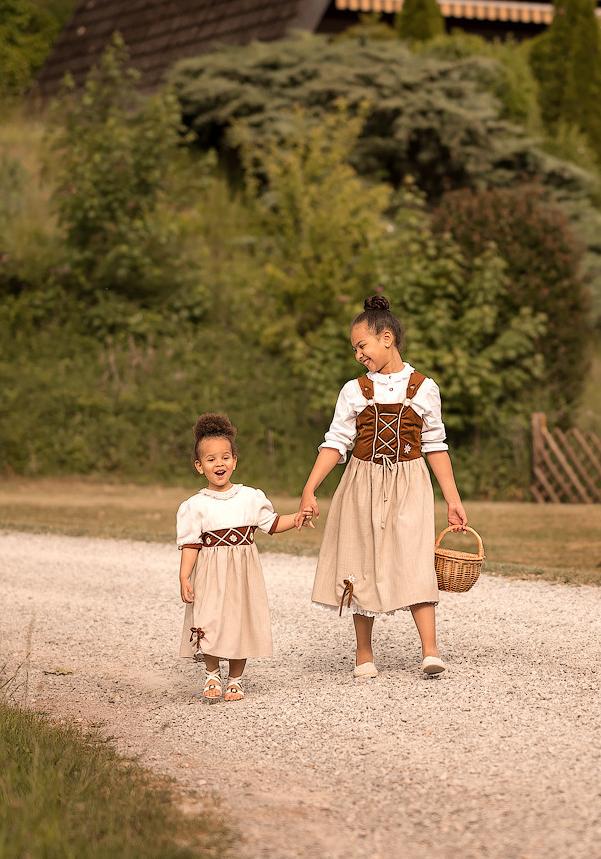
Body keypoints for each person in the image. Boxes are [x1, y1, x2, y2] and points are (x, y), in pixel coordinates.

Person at [298, 295, 469, 680]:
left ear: (387, 338)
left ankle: (430, 650)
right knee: (359, 560)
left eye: (362, 345)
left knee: (414, 558)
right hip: (362, 480)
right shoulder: (353, 390)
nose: (358, 354)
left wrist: (453, 500)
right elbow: (335, 442)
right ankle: (363, 654)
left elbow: (436, 446)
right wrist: (310, 489)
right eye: (355, 348)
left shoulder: (424, 388)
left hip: (410, 482)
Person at [179, 412, 311, 702]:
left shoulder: (250, 497)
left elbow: (272, 524)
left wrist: (298, 517)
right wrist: (184, 576)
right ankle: (212, 672)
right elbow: (190, 545)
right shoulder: (195, 506)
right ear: (199, 466)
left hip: (243, 574)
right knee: (209, 619)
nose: (219, 464)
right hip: (210, 574)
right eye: (211, 459)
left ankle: (236, 678)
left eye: (225, 457)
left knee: (240, 621)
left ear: (234, 461)